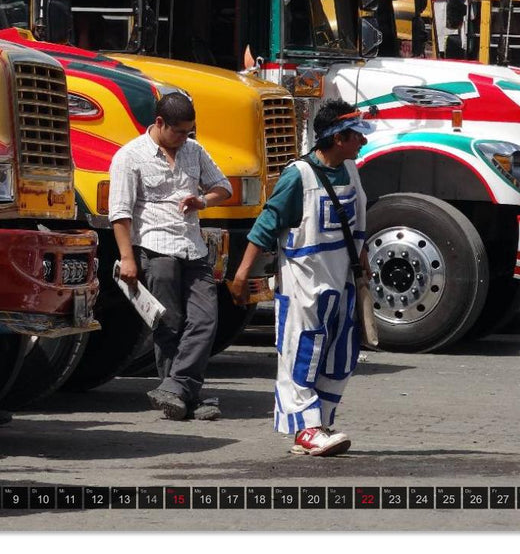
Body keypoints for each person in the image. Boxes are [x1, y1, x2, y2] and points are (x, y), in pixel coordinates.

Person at [230, 98, 375, 455]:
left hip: (341, 283)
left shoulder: (352, 172)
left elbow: (355, 225)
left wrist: (363, 260)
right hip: (303, 285)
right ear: (338, 138)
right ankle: (305, 429)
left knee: (340, 355)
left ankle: (321, 422)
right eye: (357, 135)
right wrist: (242, 274)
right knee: (301, 353)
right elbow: (267, 225)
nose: (363, 142)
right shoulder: (299, 176)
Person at [108, 92, 233, 421]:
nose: (183, 139)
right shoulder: (130, 156)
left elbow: (224, 187)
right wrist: (128, 258)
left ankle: (175, 391)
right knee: (169, 324)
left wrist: (202, 201)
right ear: (160, 123)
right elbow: (119, 214)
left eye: (188, 132)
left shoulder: (194, 150)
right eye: (178, 132)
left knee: (205, 320)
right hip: (155, 248)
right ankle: (184, 397)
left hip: (194, 247)